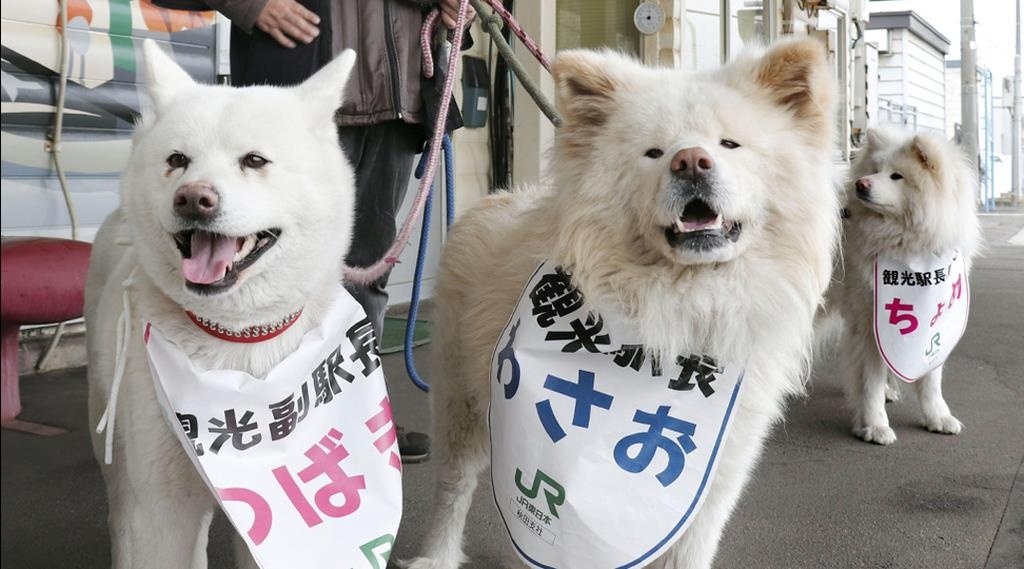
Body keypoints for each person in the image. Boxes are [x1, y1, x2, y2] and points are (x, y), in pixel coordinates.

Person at [198, 0, 476, 463]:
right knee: (266, 273)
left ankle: (355, 416)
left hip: (396, 104)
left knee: (367, 276)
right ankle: (258, 419)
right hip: (293, 110)